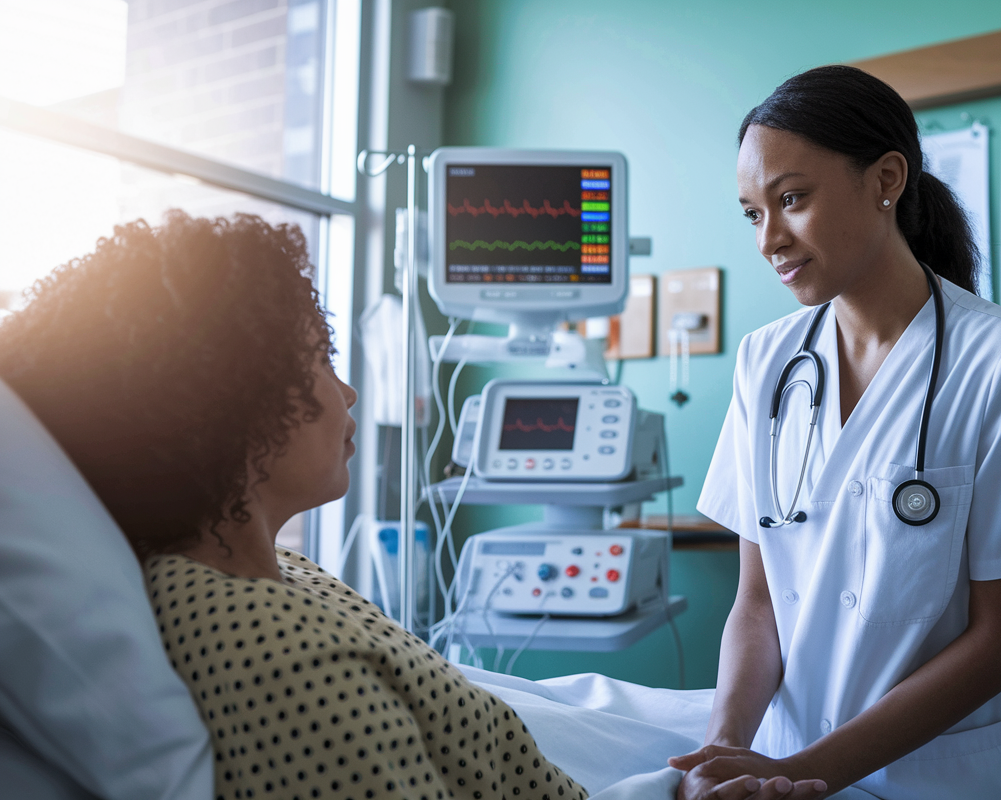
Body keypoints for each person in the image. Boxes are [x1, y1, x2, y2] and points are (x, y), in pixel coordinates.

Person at [0, 211, 586, 800]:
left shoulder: (277, 572)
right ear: (235, 404)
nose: (348, 392)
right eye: (320, 361)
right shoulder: (276, 660)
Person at [668, 66, 1001, 800]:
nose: (769, 238)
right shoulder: (765, 362)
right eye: (752, 213)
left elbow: (999, 645)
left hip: (949, 781)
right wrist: (729, 748)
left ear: (887, 179)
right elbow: (758, 601)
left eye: (791, 199)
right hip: (783, 766)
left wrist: (807, 771)